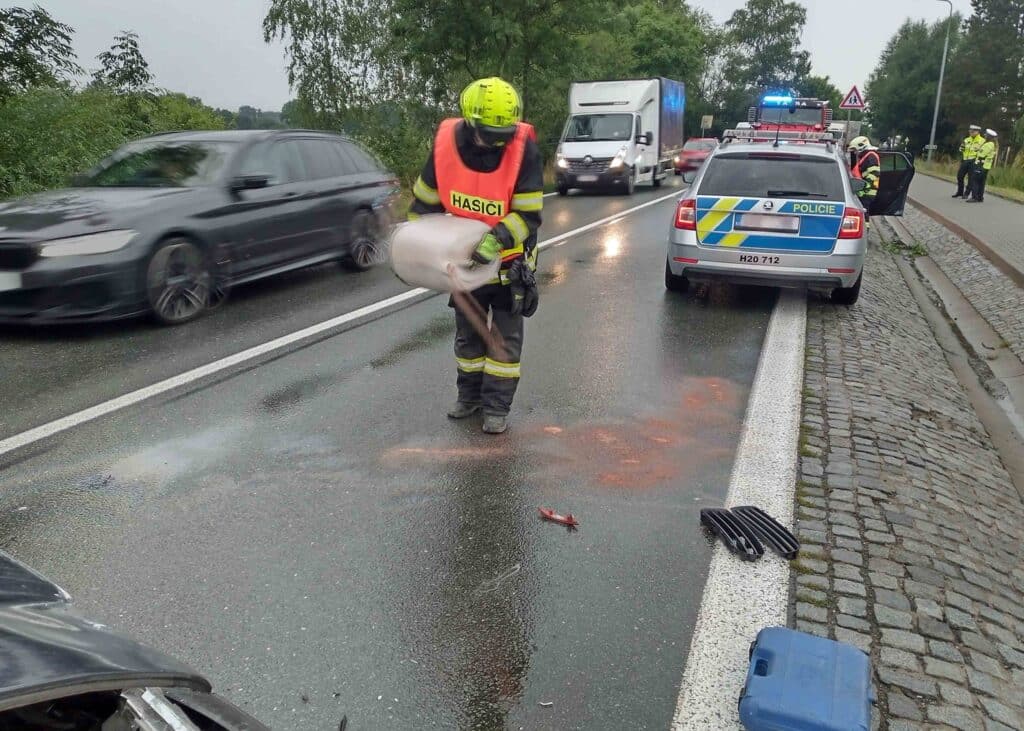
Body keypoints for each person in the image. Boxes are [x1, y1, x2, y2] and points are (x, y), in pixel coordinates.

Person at [408, 77, 543, 434]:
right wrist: (421, 242)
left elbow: (529, 215)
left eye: (504, 136)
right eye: (489, 135)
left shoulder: (523, 150)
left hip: (510, 263)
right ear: (470, 123)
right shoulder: (445, 147)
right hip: (463, 264)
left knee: (504, 339)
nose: (498, 143)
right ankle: (468, 398)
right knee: (468, 336)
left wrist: (495, 240)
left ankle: (496, 409)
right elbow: (423, 204)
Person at [848, 135, 881, 212]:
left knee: (864, 214)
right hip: (864, 192)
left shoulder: (871, 157)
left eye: (855, 149)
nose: (855, 152)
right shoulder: (866, 156)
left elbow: (873, 176)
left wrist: (862, 191)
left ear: (861, 147)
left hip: (866, 193)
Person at [967, 129, 998, 203]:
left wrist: (978, 151)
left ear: (989, 136)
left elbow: (981, 154)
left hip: (981, 165)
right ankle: (980, 197)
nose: (985, 135)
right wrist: (979, 149)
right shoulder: (992, 144)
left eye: (986, 134)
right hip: (986, 166)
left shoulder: (988, 144)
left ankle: (974, 197)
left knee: (975, 180)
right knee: (981, 182)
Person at [953, 124, 983, 198]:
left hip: (974, 161)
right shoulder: (967, 140)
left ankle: (966, 193)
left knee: (971, 178)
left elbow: (982, 152)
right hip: (965, 160)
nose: (971, 132)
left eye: (973, 131)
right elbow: (961, 149)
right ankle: (960, 192)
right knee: (960, 176)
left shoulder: (982, 141)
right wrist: (961, 148)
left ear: (977, 132)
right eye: (970, 131)